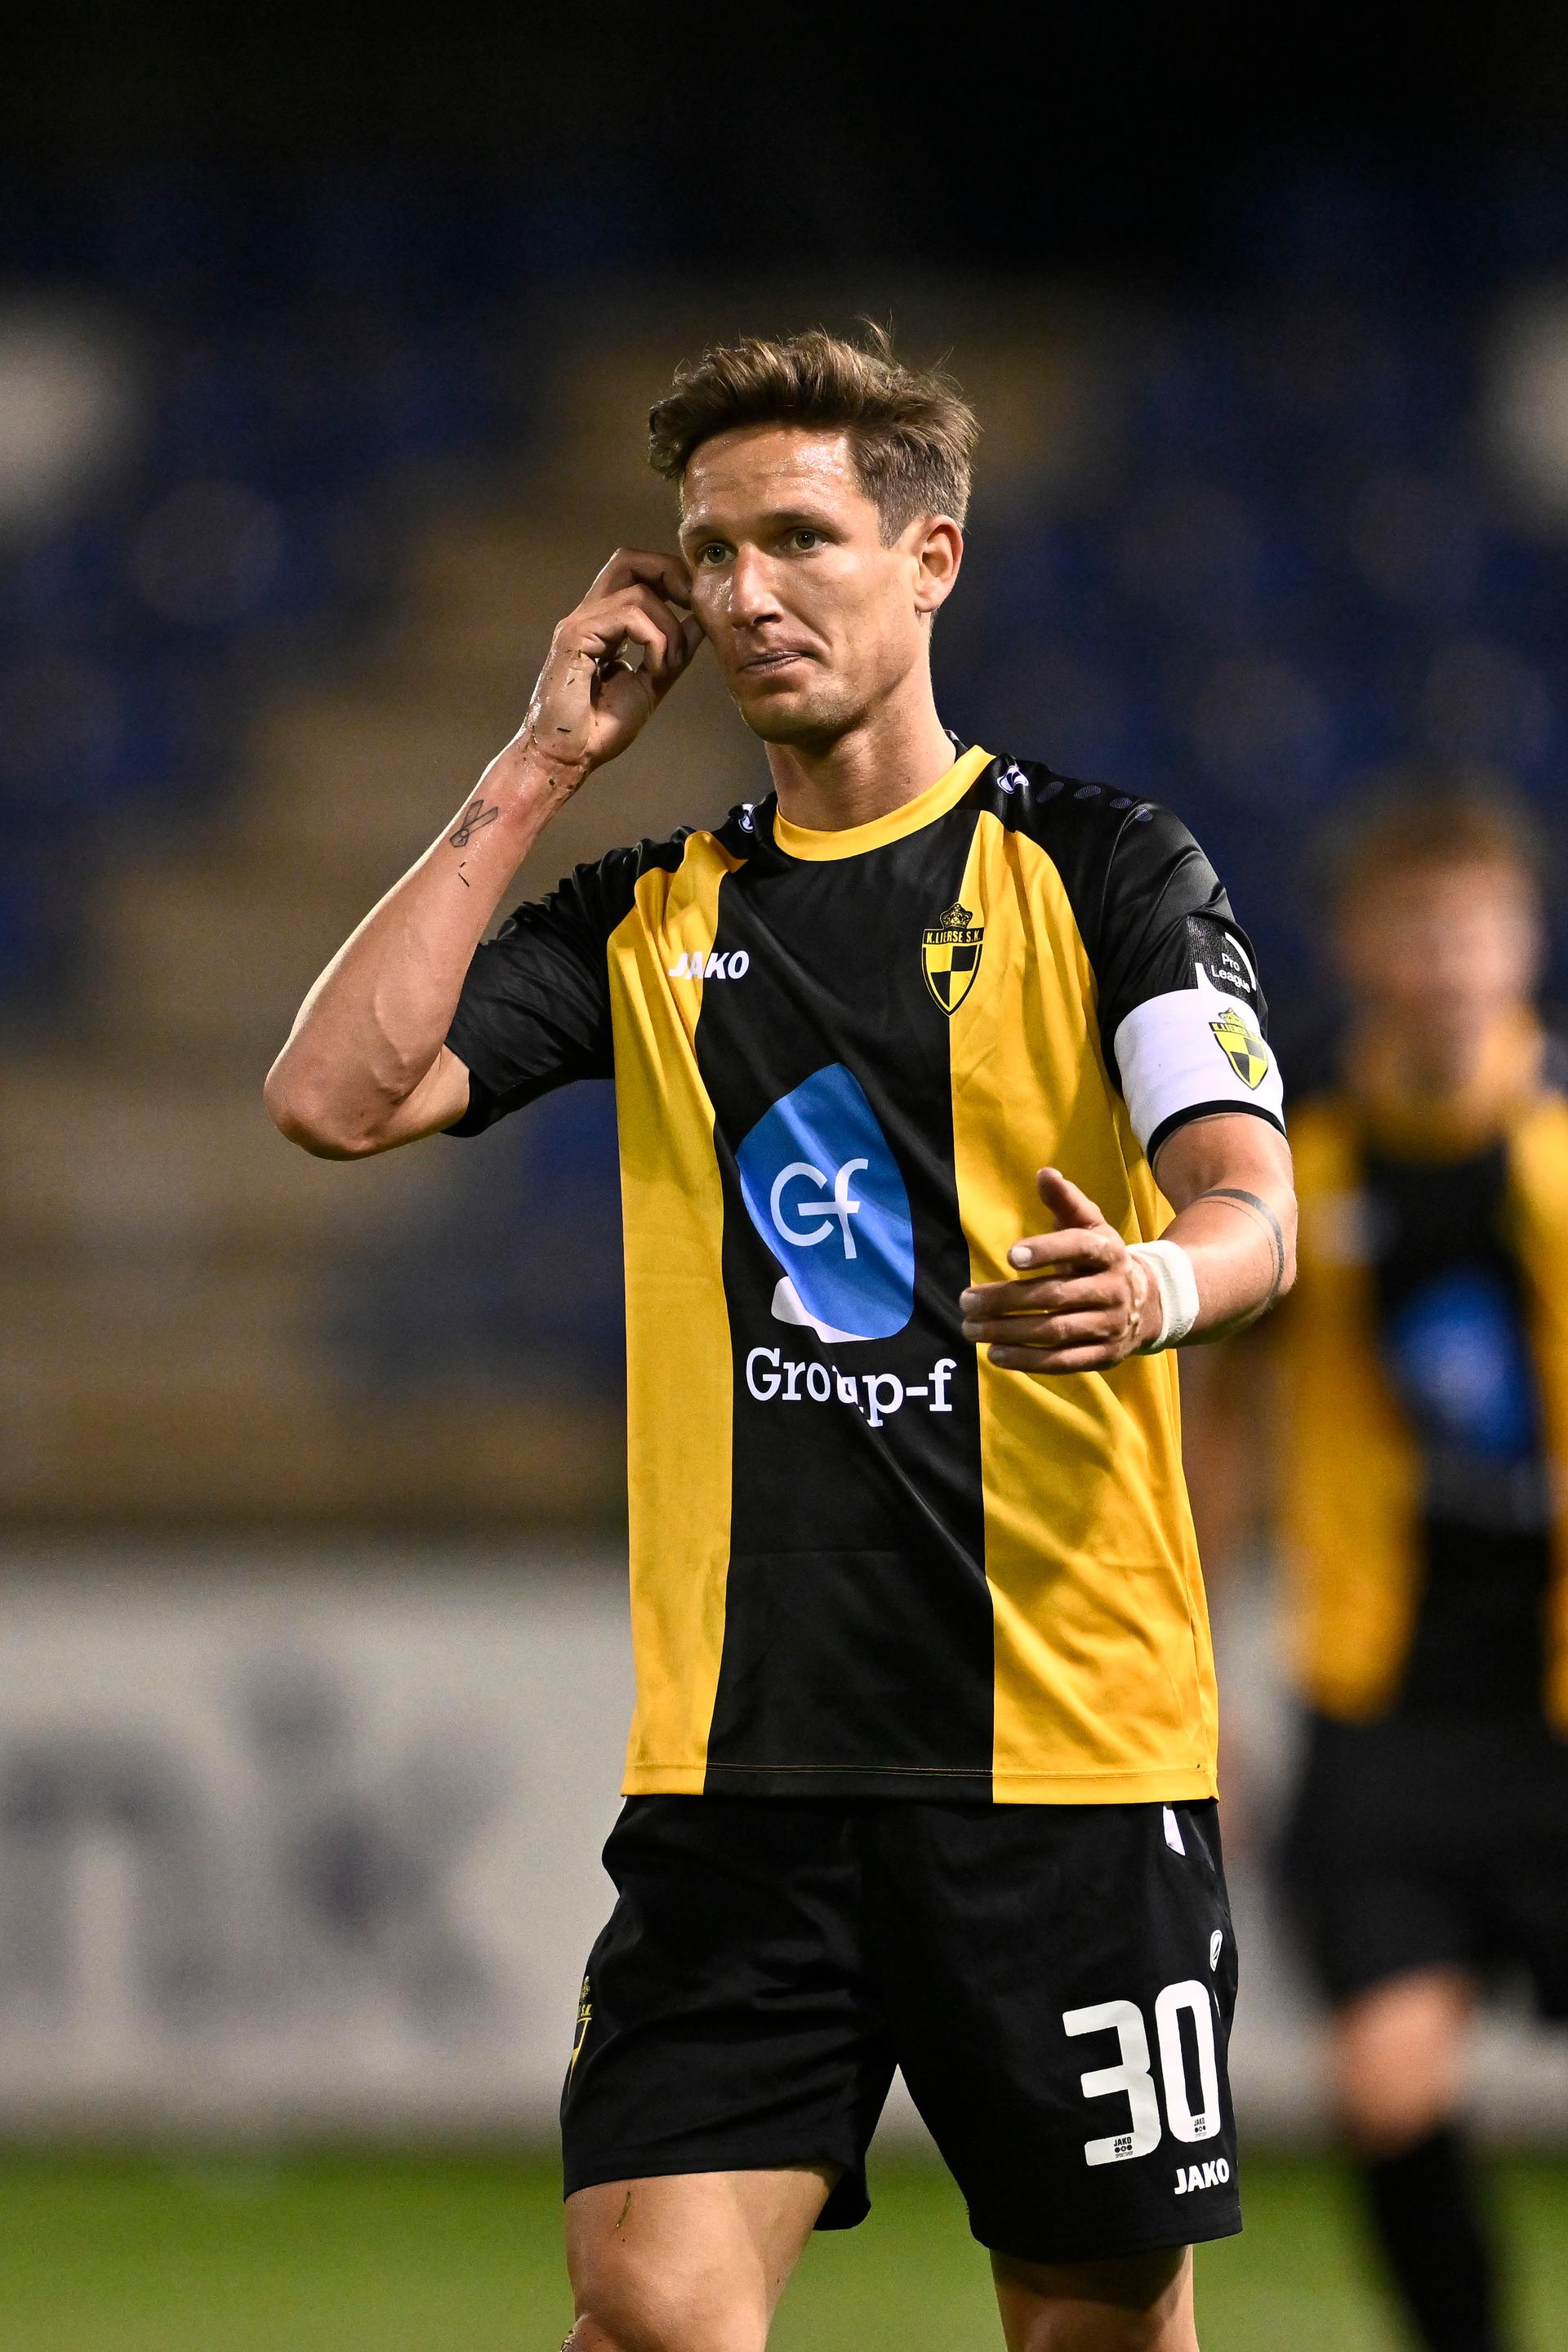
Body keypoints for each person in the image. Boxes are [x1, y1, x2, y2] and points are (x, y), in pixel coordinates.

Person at [265, 327, 1295, 2352]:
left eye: (800, 538)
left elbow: (1249, 1201)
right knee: (653, 2306)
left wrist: (1157, 1284)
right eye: (713, 549)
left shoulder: (1108, 868)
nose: (745, 591)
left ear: (931, 558)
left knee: (1093, 2327)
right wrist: (538, 764)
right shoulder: (650, 914)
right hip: (741, 1772)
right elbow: (333, 1095)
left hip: (1063, 1759)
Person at [1183, 782, 1567, 2352]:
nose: (1446, 962)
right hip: (1389, 1703)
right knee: (1386, 2083)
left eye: (1473, 929)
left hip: (1559, 1700)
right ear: (1358, 950)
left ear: (1524, 947)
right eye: (1415, 929)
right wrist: (1191, 1670)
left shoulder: (1560, 1159)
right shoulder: (1302, 1175)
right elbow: (1222, 1428)